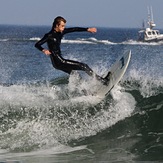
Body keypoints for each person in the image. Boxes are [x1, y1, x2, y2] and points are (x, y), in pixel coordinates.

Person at [35, 16, 110, 85]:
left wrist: (87, 29)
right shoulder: (49, 35)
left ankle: (85, 91)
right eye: (62, 26)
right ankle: (103, 81)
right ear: (57, 25)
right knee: (83, 66)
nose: (64, 28)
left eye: (64, 26)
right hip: (59, 61)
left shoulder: (61, 32)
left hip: (57, 63)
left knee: (75, 75)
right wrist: (43, 50)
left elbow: (74, 29)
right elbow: (37, 44)